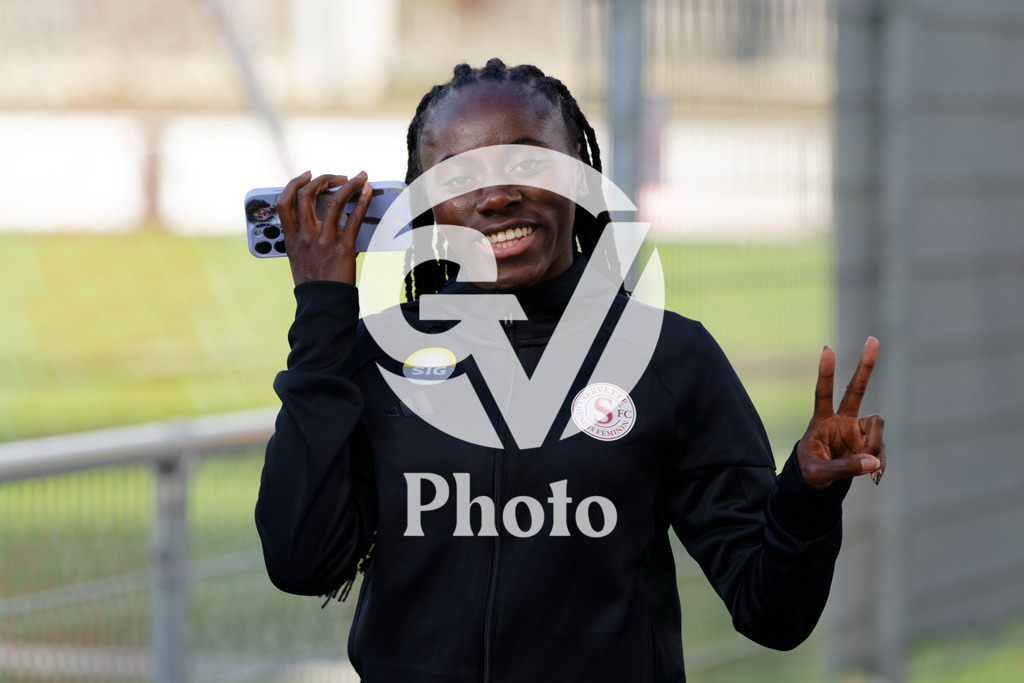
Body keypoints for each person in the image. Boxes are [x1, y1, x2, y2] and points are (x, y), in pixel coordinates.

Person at [255, 58, 886, 682]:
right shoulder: (376, 357)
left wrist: (804, 500)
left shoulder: (670, 358)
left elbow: (773, 614)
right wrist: (322, 315)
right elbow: (302, 563)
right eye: (457, 176)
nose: (496, 196)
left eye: (529, 164)